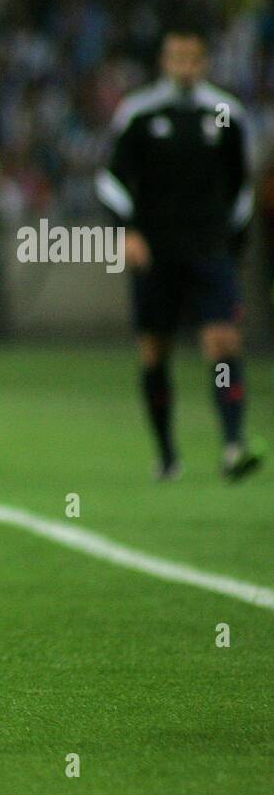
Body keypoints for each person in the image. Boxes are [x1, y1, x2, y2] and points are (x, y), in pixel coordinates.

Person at [97, 25, 264, 481]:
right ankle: (167, 453)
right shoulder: (138, 114)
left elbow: (240, 187)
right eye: (176, 58)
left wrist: (231, 244)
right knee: (154, 350)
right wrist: (126, 231)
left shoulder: (226, 114)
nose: (185, 67)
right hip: (156, 250)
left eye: (193, 58)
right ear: (163, 61)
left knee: (222, 342)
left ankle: (233, 444)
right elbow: (110, 181)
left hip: (208, 248)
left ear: (205, 61)